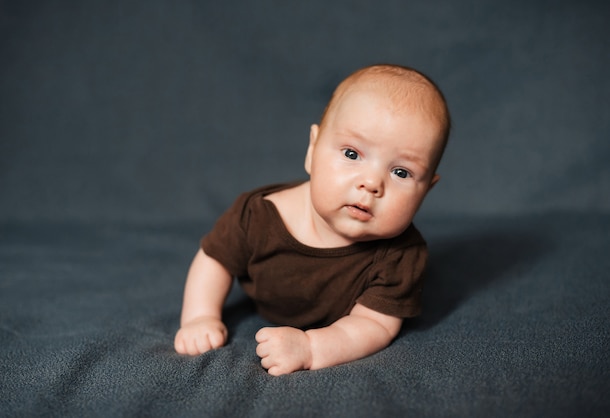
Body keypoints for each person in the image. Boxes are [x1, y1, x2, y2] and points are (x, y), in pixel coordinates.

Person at [174, 64, 450, 376]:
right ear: (312, 149)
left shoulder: (400, 256)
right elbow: (214, 260)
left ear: (426, 189)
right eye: (351, 154)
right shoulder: (257, 215)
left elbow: (373, 324)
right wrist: (200, 316)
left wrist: (312, 348)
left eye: (401, 172)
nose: (371, 183)